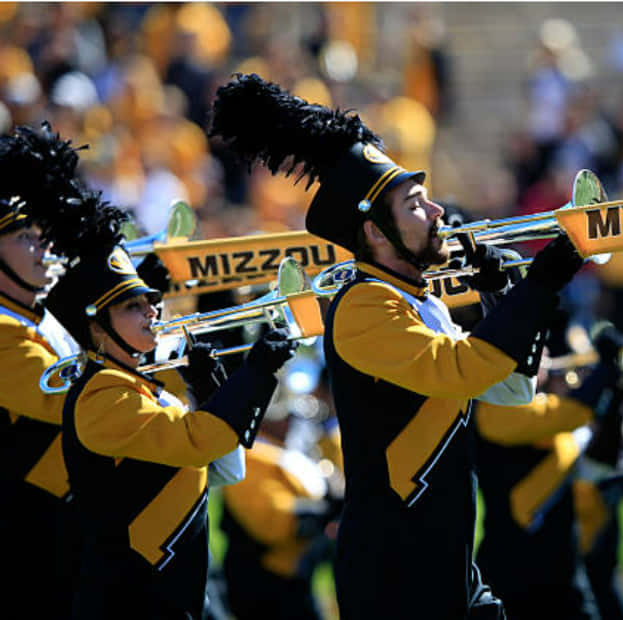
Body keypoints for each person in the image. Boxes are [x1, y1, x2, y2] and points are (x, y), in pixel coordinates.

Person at [208, 73, 586, 619]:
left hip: (448, 559)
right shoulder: (365, 307)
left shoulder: (419, 300)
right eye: (415, 205)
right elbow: (463, 369)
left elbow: (510, 387)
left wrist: (500, 293)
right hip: (396, 571)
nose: (436, 214)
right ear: (377, 234)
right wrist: (540, 282)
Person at [32, 184, 297, 619]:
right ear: (97, 328)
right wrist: (255, 371)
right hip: (129, 597)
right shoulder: (102, 397)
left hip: (175, 588)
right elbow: (196, 441)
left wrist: (206, 386)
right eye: (133, 307)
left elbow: (226, 468)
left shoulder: (146, 389)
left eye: (150, 302)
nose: (153, 312)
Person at [472, 319, 623, 620]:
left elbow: (598, 465)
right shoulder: (491, 408)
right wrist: (603, 372)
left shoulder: (550, 414)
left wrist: (615, 402)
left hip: (564, 570)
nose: (543, 353)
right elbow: (571, 414)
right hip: (512, 570)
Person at [0, 123, 90, 616]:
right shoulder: (1, 330)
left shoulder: (40, 313)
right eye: (21, 237)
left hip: (66, 521)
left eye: (40, 234)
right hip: (25, 533)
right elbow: (67, 401)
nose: (41, 247)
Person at [220, 396, 343, 620]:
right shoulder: (251, 455)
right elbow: (274, 523)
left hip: (293, 573)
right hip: (263, 580)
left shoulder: (284, 452)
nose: (295, 425)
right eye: (289, 417)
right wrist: (325, 513)